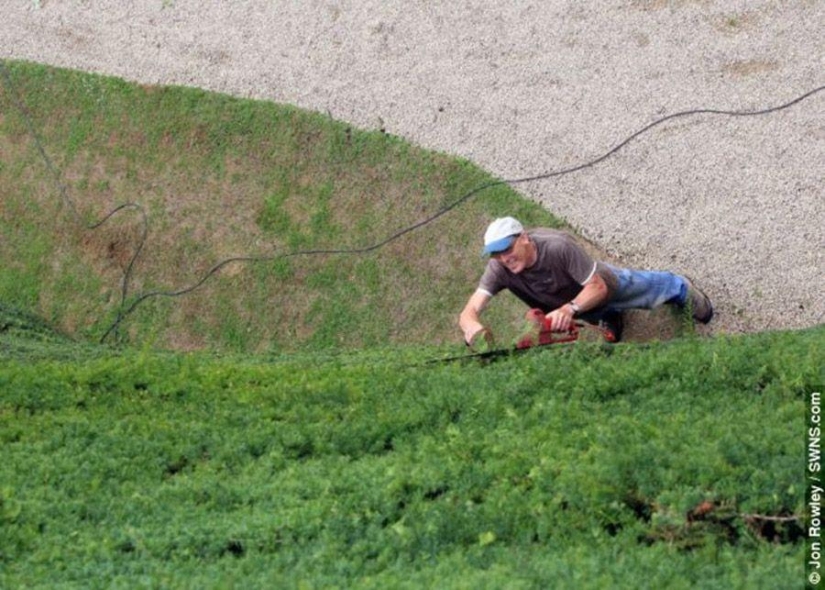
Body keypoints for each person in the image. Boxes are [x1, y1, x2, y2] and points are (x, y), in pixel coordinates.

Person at [458, 216, 713, 346]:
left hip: (599, 286)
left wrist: (569, 309)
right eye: (496, 254)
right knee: (594, 315)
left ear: (524, 237)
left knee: (644, 288)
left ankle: (679, 287)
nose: (504, 258)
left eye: (507, 248)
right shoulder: (499, 268)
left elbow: (597, 287)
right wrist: (472, 327)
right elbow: (469, 310)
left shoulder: (557, 247)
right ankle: (611, 318)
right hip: (571, 304)